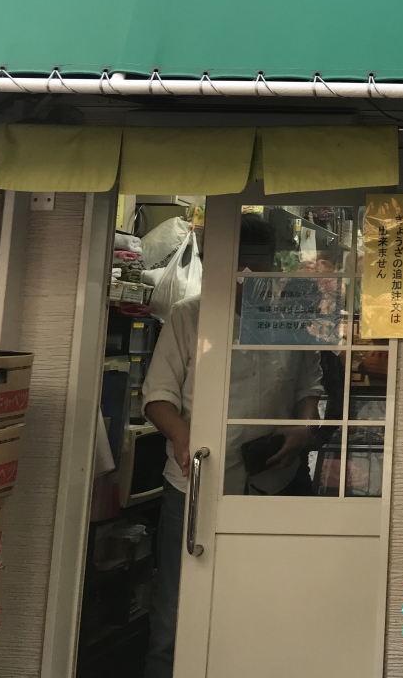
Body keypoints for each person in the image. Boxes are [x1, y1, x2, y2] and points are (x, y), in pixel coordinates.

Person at [140, 214, 326, 678]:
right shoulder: (188, 315)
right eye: (238, 262)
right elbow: (157, 396)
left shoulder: (287, 318)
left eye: (257, 263)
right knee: (177, 612)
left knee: (266, 604)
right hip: (195, 485)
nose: (246, 273)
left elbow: (309, 388)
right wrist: (182, 435)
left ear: (272, 264)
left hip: (275, 480)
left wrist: (303, 429)